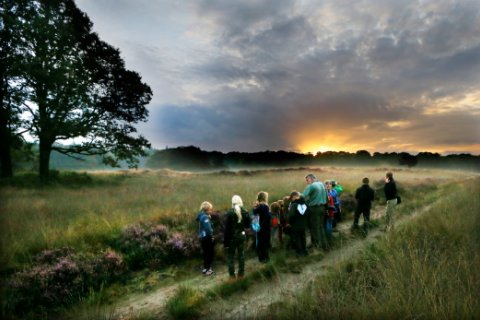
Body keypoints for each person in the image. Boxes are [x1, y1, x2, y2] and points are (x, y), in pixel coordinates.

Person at [224, 195, 251, 279]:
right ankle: (241, 274)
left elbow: (227, 229)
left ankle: (232, 275)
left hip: (232, 238)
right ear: (240, 201)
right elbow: (247, 226)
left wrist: (226, 243)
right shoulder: (245, 211)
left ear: (232, 202)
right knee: (241, 255)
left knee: (230, 256)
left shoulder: (229, 213)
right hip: (241, 236)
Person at [302, 173, 329, 250]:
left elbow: (302, 196)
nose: (307, 182)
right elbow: (327, 196)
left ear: (311, 179)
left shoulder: (311, 186)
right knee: (321, 227)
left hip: (314, 209)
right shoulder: (322, 184)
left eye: (307, 180)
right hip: (323, 207)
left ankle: (317, 247)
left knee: (315, 228)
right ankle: (325, 245)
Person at [287, 191, 309, 256]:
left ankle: (300, 252)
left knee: (298, 238)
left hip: (296, 224)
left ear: (294, 197)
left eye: (292, 198)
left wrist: (290, 222)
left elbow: (291, 215)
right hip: (304, 224)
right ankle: (305, 250)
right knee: (303, 237)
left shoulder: (294, 205)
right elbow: (309, 212)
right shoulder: (305, 203)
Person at [196, 201, 215, 276]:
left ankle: (206, 268)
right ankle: (208, 269)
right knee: (209, 253)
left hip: (203, 237)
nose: (211, 211)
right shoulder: (205, 217)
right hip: (207, 237)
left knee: (205, 253)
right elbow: (208, 229)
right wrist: (212, 236)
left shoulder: (202, 216)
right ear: (206, 210)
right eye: (210, 209)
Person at [252, 191, 271, 263]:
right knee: (265, 243)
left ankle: (261, 258)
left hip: (258, 228)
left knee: (260, 243)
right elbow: (267, 217)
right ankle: (266, 258)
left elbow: (254, 215)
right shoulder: (265, 206)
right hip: (265, 228)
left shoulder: (258, 207)